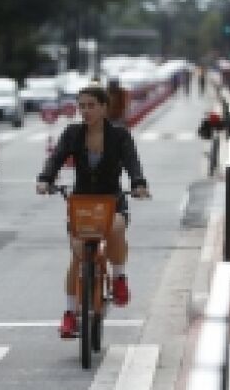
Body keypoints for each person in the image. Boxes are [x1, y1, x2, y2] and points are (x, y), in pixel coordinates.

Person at [36, 86, 150, 338]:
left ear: (104, 107)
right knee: (77, 255)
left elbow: (132, 162)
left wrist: (138, 184)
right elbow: (56, 158)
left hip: (112, 200)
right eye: (82, 106)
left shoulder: (119, 135)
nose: (85, 111)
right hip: (82, 203)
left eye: (91, 105)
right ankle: (69, 314)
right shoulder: (73, 133)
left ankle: (119, 277)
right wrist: (45, 179)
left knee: (117, 227)